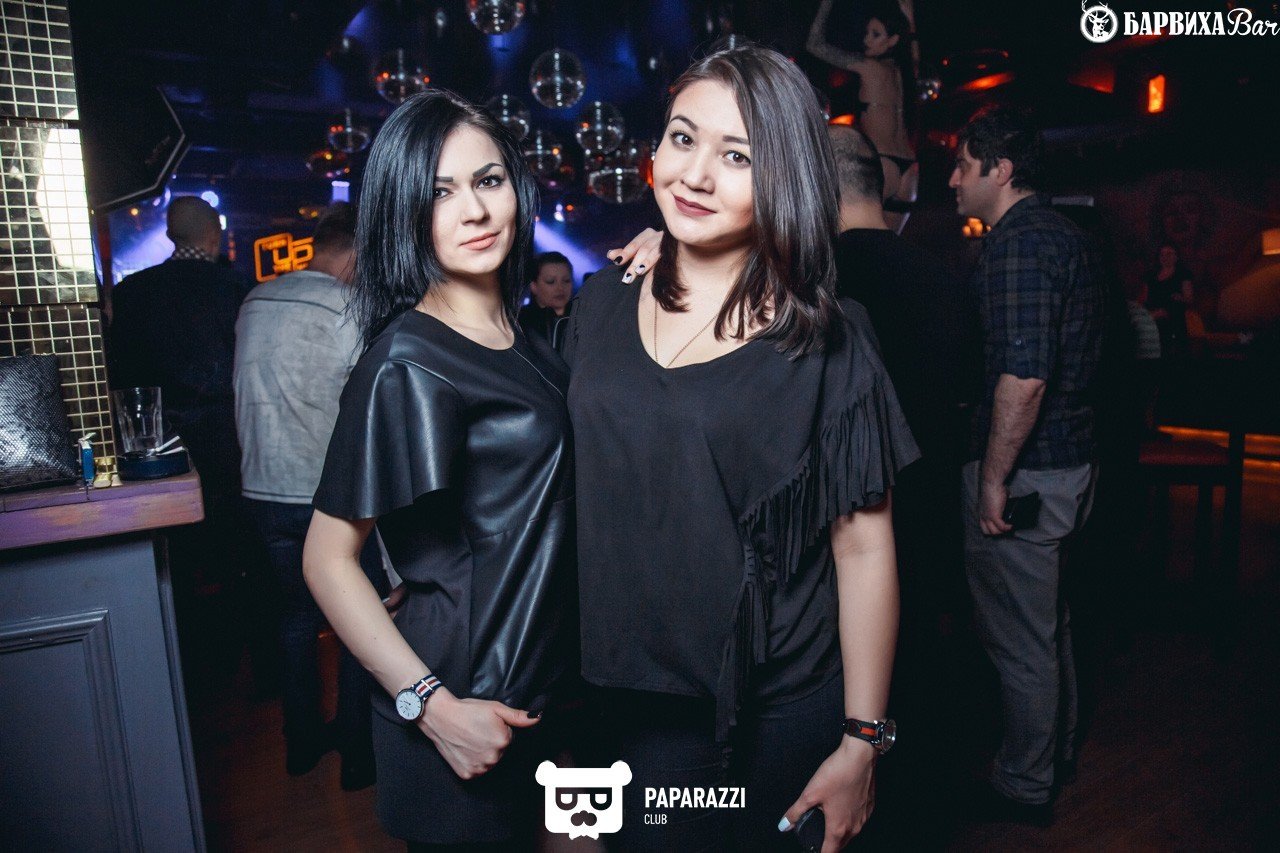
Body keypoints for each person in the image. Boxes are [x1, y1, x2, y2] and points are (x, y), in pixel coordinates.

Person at [565, 43, 919, 852]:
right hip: (620, 693)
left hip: (773, 707)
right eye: (682, 138)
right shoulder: (601, 303)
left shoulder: (828, 340)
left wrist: (864, 740)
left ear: (783, 176)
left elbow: (864, 548)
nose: (695, 174)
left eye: (737, 156)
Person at [303, 90, 576, 850]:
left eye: (488, 181)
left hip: (555, 688)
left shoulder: (528, 336)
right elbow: (326, 558)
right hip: (469, 698)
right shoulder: (407, 358)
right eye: (439, 193)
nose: (475, 211)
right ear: (404, 211)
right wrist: (431, 706)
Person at [948, 105, 1105, 826]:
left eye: (963, 165)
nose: (954, 180)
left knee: (1019, 641)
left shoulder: (1018, 243)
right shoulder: (1068, 234)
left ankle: (1024, 782)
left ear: (1000, 170)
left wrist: (992, 479)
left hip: (1029, 474)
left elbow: (1024, 377)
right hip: (1070, 466)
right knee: (1047, 627)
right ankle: (1055, 755)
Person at [233, 202, 386, 789]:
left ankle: (300, 747)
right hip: (329, 496)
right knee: (357, 623)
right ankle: (358, 758)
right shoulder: (350, 307)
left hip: (261, 488)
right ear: (355, 253)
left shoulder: (255, 300)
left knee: (295, 621)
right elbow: (373, 404)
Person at [108, 195, 277, 698]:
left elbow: (121, 379)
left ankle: (197, 679)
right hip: (233, 445)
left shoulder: (133, 292)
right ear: (214, 235)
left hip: (163, 453)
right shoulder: (238, 288)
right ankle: (265, 678)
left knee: (179, 568)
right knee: (249, 563)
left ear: (169, 235)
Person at [807, 0, 917, 222]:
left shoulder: (869, 68)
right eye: (867, 33)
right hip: (910, 169)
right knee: (889, 242)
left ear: (892, 40)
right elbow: (913, 46)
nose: (866, 39)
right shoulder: (904, 71)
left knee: (848, 233)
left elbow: (814, 45)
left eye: (875, 34)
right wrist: (909, 16)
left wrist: (826, 4)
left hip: (882, 164)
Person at [1144, 243, 1193, 358]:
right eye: (1162, 254)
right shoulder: (1151, 275)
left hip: (1172, 313)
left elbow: (1189, 299)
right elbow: (1144, 297)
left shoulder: (1182, 274)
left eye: (1169, 254)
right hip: (1153, 311)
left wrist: (1180, 298)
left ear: (1176, 257)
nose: (1165, 257)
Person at [517, 251, 574, 345]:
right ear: (534, 286)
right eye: (550, 281)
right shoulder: (520, 321)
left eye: (566, 281)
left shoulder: (581, 318)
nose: (560, 288)